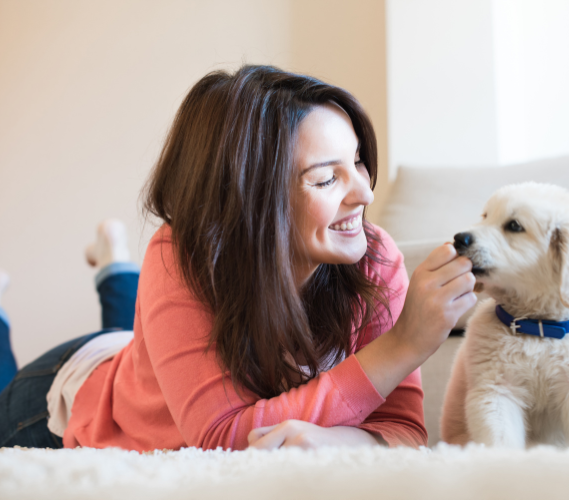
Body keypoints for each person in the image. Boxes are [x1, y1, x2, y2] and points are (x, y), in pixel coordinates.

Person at [0, 65, 477, 451]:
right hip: (64, 400)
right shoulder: (183, 253)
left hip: (144, 359)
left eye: (356, 161)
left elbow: (402, 432)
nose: (365, 192)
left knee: (137, 339)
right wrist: (402, 345)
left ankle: (114, 266)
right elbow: (221, 438)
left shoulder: (374, 259)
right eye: (326, 179)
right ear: (253, 198)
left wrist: (337, 443)